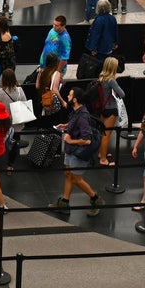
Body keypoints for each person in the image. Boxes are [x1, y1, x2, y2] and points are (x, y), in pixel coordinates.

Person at [48, 88, 105, 216]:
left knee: (76, 179)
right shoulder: (76, 111)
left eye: (69, 94)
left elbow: (87, 140)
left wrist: (69, 140)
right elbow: (75, 122)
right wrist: (66, 125)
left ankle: (96, 199)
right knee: (68, 174)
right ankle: (65, 202)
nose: (67, 96)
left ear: (75, 99)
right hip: (70, 150)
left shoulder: (83, 116)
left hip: (76, 152)